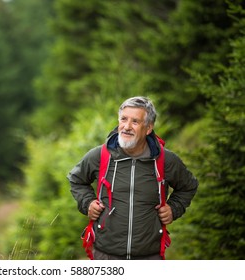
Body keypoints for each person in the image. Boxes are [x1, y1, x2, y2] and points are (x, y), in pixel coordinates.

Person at [67, 96, 198, 260]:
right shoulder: (100, 155)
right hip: (105, 255)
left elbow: (188, 186)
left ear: (148, 128)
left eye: (135, 121)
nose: (126, 127)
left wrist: (174, 208)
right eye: (123, 119)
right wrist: (88, 203)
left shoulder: (166, 160)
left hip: (149, 257)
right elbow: (76, 179)